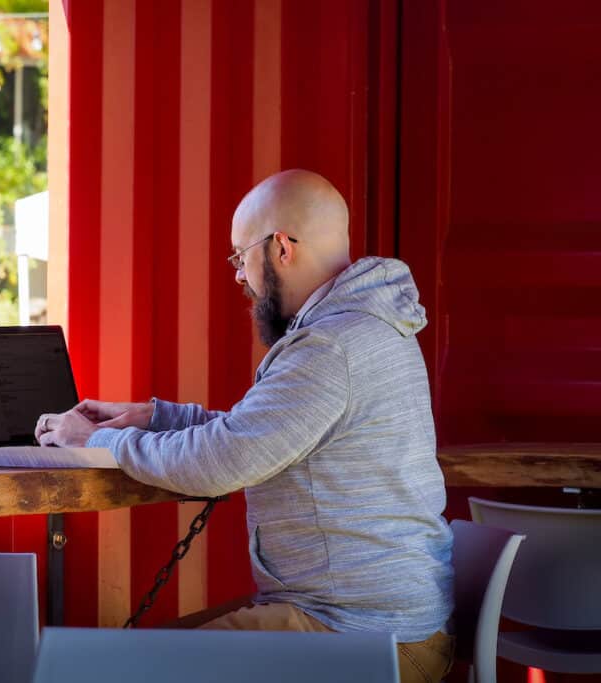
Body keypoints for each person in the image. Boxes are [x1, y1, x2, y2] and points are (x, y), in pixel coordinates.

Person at [35, 169, 455, 683]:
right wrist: (155, 417)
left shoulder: (331, 346)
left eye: (240, 256)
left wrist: (99, 440)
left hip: (359, 637)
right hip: (378, 624)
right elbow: (263, 432)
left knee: (111, 670)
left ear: (281, 248)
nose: (238, 275)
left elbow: (226, 460)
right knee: (141, 652)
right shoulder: (364, 325)